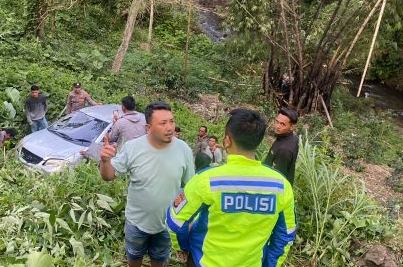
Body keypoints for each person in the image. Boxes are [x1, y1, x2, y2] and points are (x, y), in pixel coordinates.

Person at [167, 109, 296, 267]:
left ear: (227, 141)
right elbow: (285, 236)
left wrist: (184, 248)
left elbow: (175, 223)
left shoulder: (207, 180)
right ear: (258, 141)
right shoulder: (281, 186)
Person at [100, 101, 195, 267]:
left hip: (167, 224)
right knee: (134, 255)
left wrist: (190, 219)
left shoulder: (184, 149)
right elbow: (108, 176)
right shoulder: (133, 148)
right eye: (163, 123)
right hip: (136, 222)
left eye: (172, 121)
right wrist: (105, 161)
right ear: (149, 128)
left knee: (159, 258)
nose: (170, 128)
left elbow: (190, 187)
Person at [264, 107, 299, 185]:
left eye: (282, 124)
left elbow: (277, 179)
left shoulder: (284, 150)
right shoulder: (291, 138)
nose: (277, 126)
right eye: (277, 122)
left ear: (292, 127)